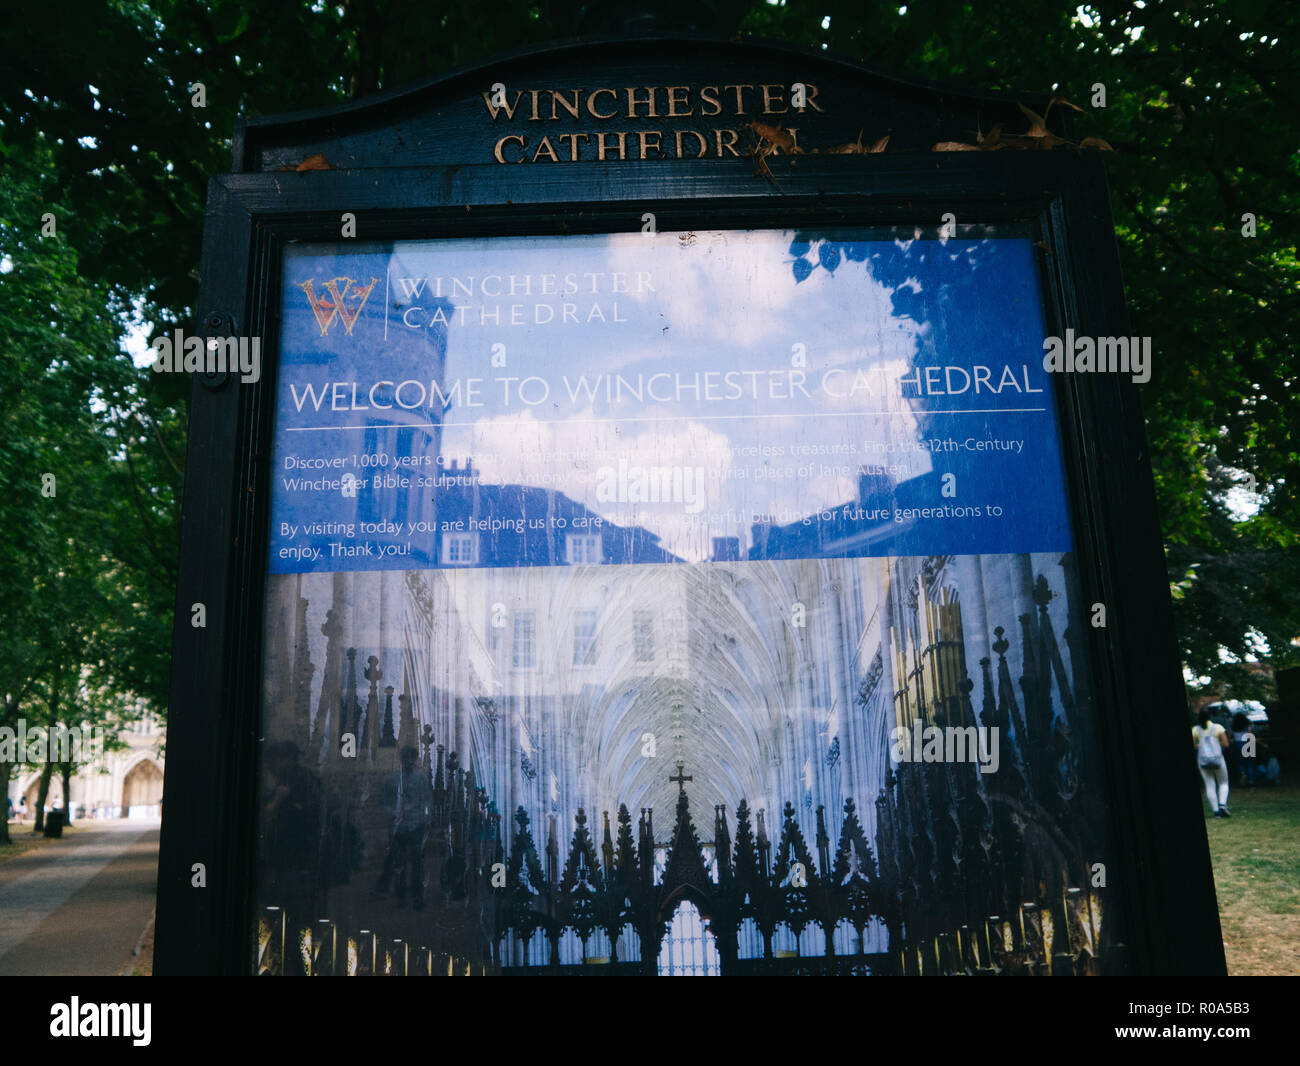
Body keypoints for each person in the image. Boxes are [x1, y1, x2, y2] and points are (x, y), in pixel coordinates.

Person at [1193, 708, 1231, 817]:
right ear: (1210, 716)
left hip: (1203, 761)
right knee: (1223, 782)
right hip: (1218, 759)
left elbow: (1194, 745)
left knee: (1209, 784)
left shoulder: (1195, 730)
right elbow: (1226, 744)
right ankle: (1222, 804)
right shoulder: (1218, 728)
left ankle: (1216, 811)